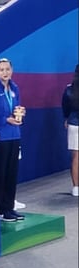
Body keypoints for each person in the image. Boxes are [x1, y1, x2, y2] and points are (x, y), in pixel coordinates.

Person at [0, 58, 25, 222]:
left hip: (14, 135)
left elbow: (15, 108)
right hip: (0, 137)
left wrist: (20, 114)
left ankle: (9, 207)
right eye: (1, 70)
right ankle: (0, 209)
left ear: (12, 70)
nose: (5, 73)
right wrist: (5, 120)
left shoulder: (15, 88)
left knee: (11, 173)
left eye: (7, 69)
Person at [61, 64, 79, 197]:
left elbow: (65, 107)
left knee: (75, 157)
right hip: (73, 123)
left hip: (73, 124)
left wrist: (67, 118)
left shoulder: (69, 89)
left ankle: (76, 188)